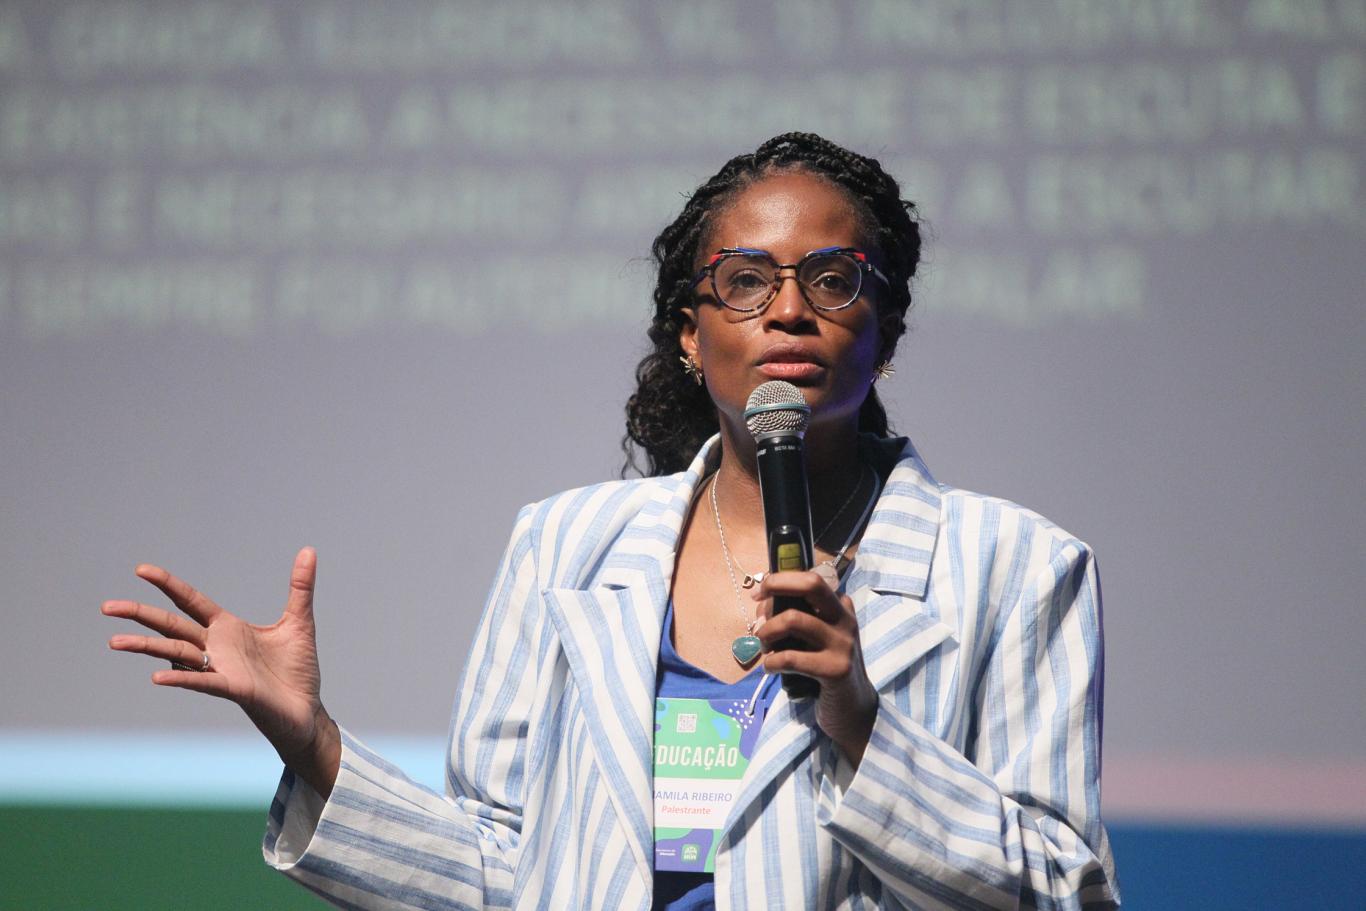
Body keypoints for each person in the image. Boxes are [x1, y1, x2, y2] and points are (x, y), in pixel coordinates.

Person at [103, 132, 1120, 909]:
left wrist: (862, 724)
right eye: (744, 281)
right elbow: (505, 870)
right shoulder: (565, 545)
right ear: (692, 334)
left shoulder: (1018, 568)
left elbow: (1064, 889)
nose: (788, 310)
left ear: (884, 329)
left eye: (831, 279)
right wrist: (314, 743)